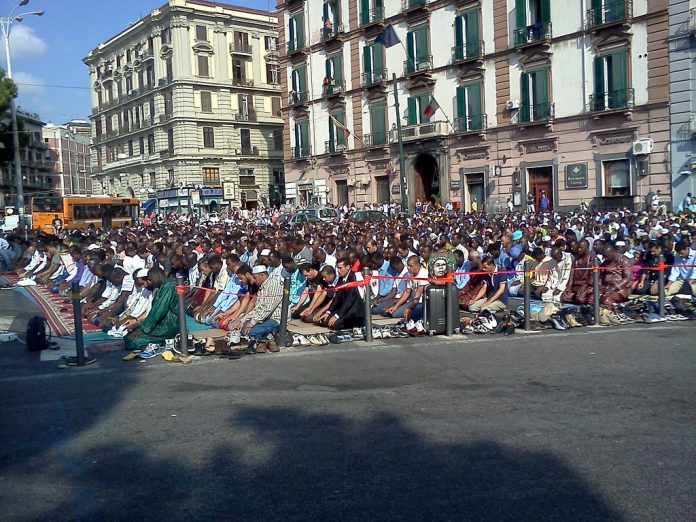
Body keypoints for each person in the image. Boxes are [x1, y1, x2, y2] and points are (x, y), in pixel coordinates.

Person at [125, 267, 179, 351]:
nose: (150, 282)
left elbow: (159, 311)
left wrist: (141, 328)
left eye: (150, 280)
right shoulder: (160, 288)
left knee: (133, 341)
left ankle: (168, 341)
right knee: (128, 337)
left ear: (158, 276)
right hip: (161, 324)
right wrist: (138, 325)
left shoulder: (169, 286)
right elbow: (153, 312)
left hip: (169, 326)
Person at [240, 265, 284, 354]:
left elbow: (268, 309)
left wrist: (252, 322)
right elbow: (258, 308)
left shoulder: (274, 285)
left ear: (262, 275)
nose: (254, 280)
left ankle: (266, 339)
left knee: (250, 332)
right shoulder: (263, 287)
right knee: (243, 328)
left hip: (275, 318)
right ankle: (268, 339)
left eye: (255, 278)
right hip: (264, 317)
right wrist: (244, 320)